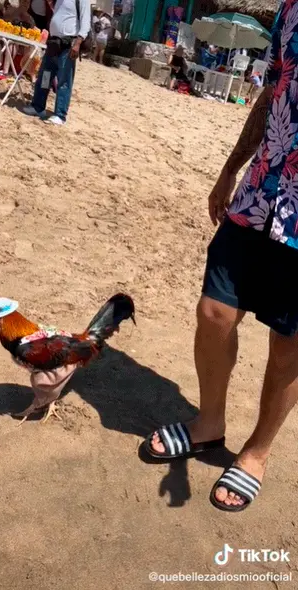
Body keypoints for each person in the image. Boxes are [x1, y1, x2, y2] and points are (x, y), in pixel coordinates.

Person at [144, 0, 298, 512]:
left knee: (289, 347)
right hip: (261, 192)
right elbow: (274, 89)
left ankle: (256, 452)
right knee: (213, 312)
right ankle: (208, 423)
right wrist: (232, 166)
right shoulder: (290, 9)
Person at [22, 0, 91, 125]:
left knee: (64, 80)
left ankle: (60, 115)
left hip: (68, 44)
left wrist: (78, 43)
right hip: (54, 43)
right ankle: (38, 107)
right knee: (44, 76)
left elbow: (85, 22)